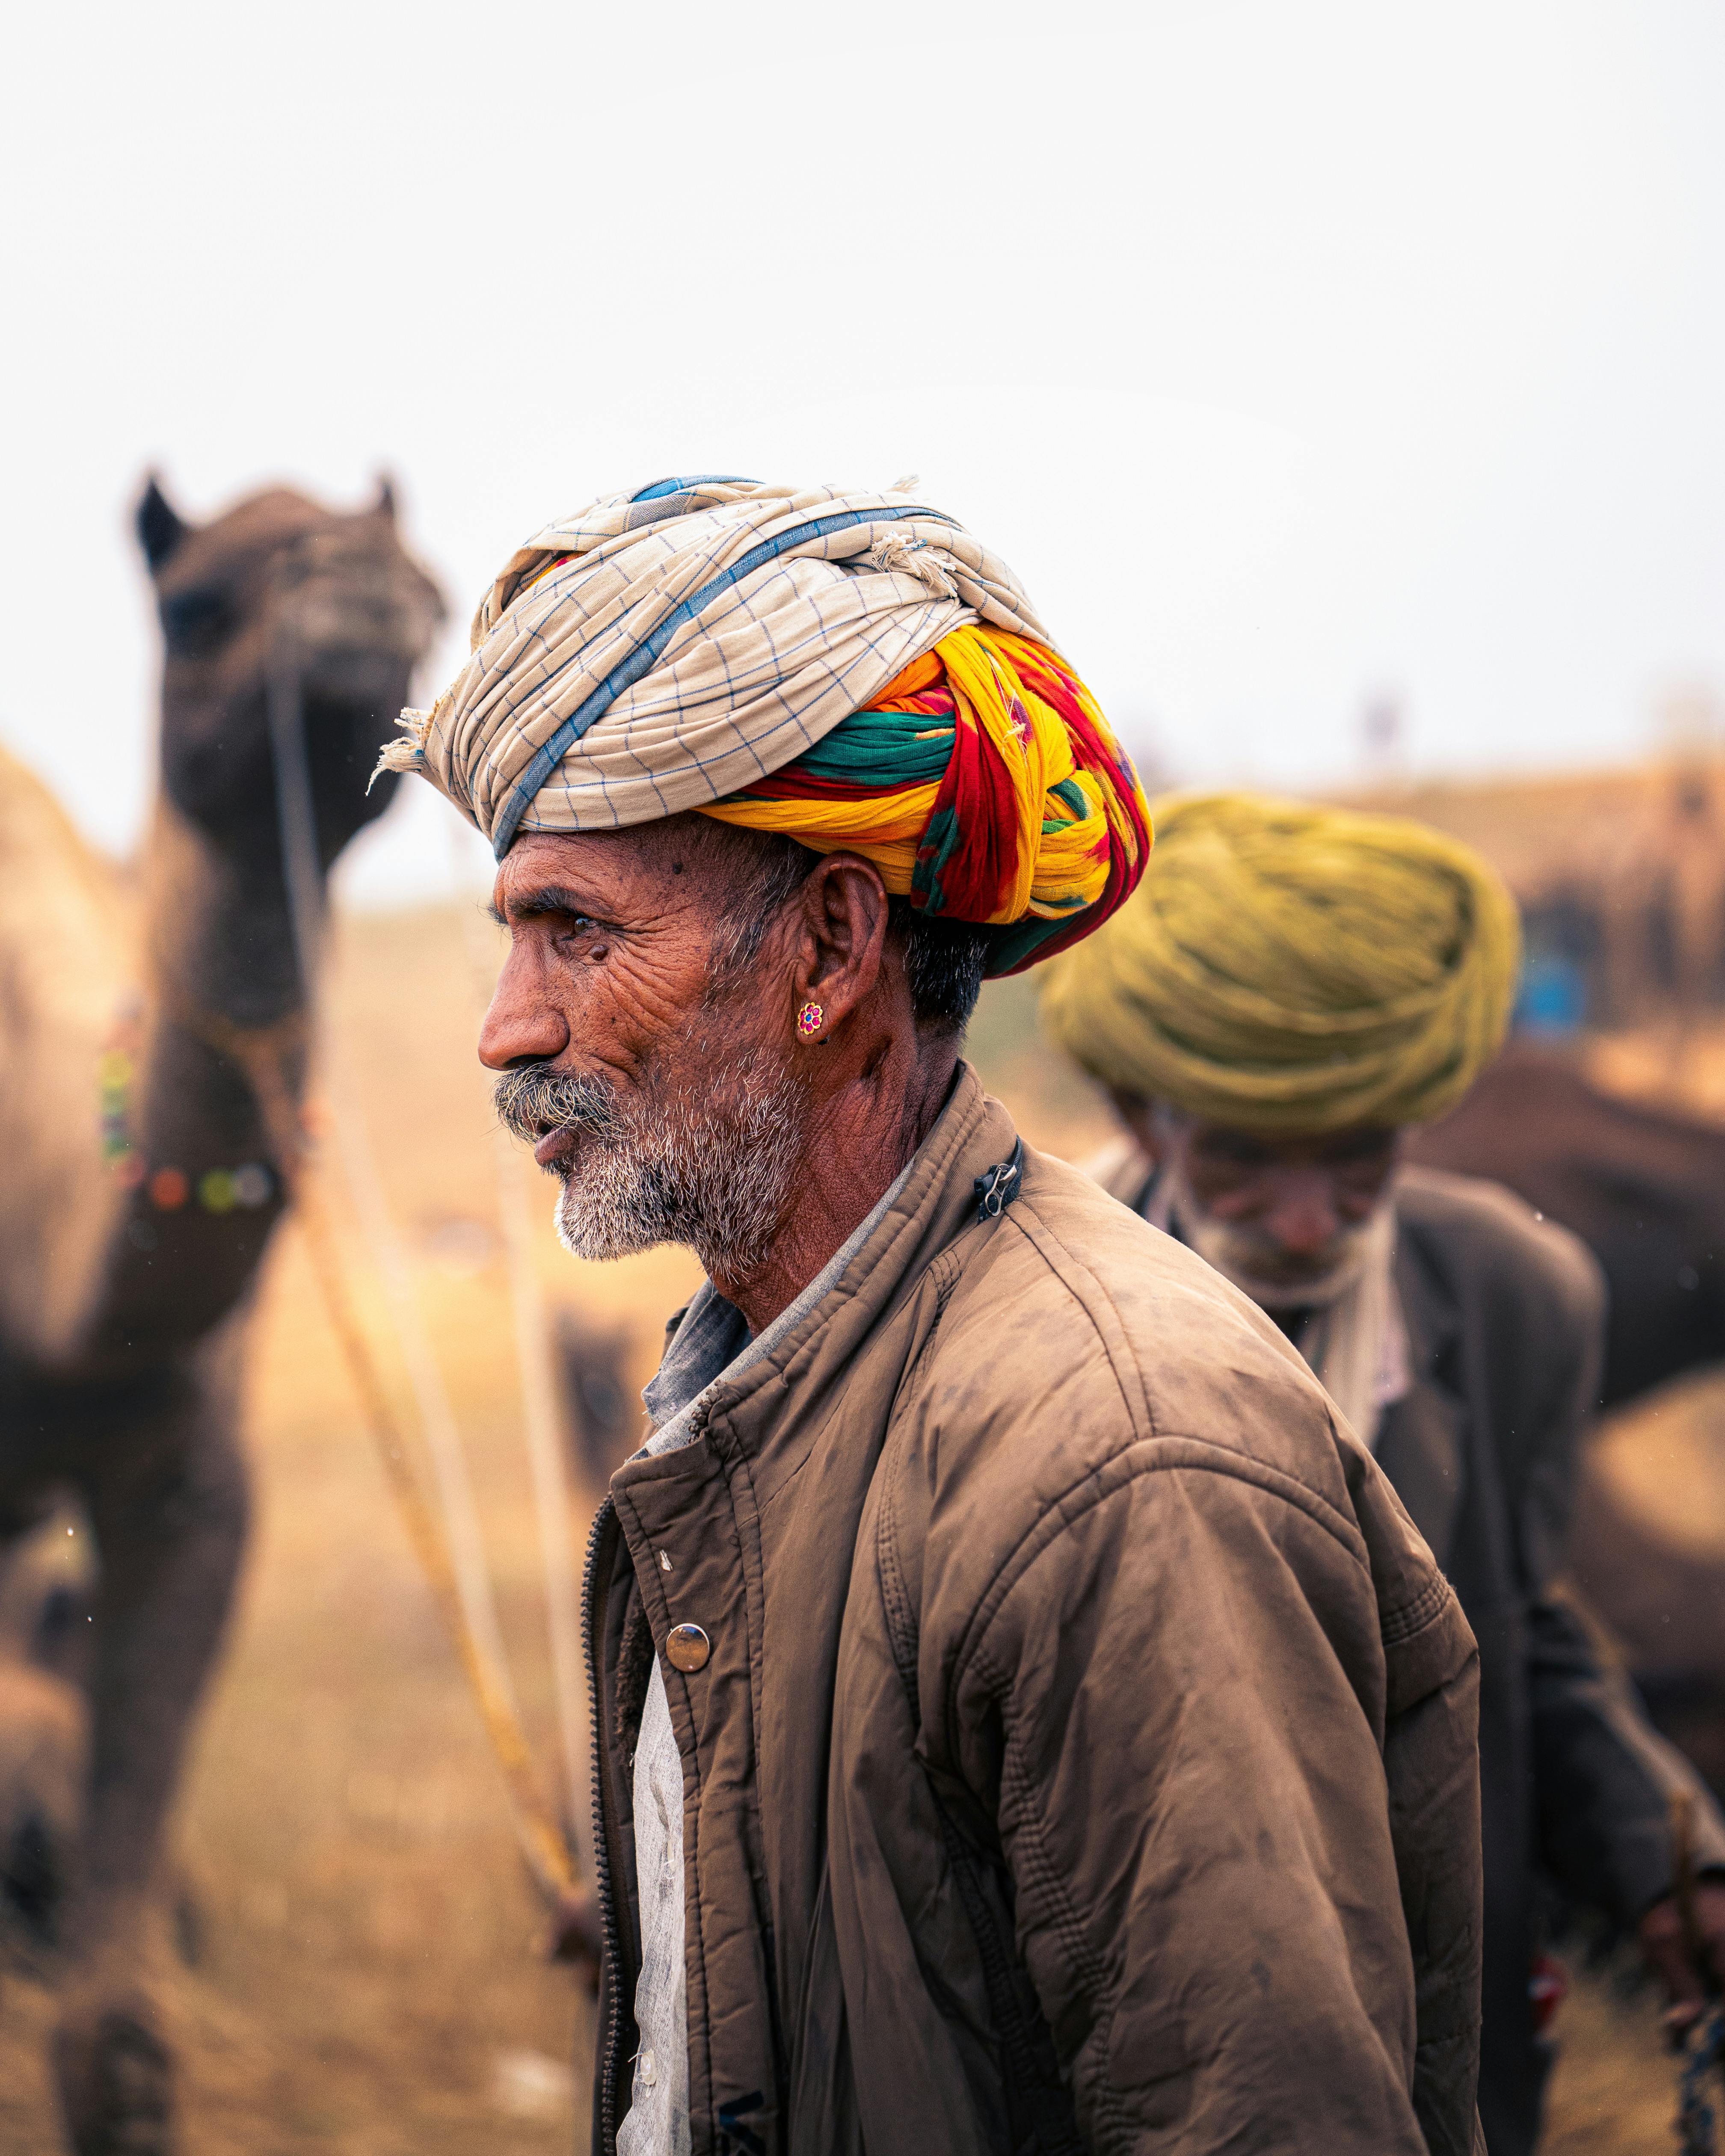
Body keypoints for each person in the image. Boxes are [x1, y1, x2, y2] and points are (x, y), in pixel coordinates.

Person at [379, 480, 1485, 2155]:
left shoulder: (1124, 1466)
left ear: (832, 946)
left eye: (577, 936)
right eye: (510, 935)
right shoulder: (764, 1392)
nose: (505, 1031)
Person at [1039, 790, 1725, 2156]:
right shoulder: (1026, 1323)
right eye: (1243, 1158)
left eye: (1358, 1160)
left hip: (1439, 2031)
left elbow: (1519, 1642)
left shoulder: (1516, 1296)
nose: (1307, 1224)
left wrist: (1658, 1855)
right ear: (1142, 1108)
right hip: (1132, 2038)